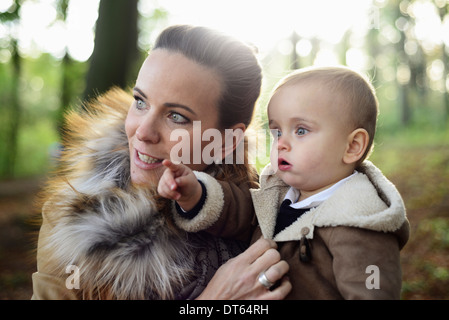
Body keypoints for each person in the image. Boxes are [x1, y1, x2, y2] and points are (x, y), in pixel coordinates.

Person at [31, 24, 290, 300]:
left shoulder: (274, 218)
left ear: (226, 141)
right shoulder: (73, 217)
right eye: (140, 102)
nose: (142, 132)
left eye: (176, 116)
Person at [169, 66, 410, 299]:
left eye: (301, 130)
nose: (281, 143)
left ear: (352, 146)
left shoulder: (361, 222)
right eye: (277, 132)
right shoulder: (278, 193)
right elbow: (240, 210)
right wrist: (195, 193)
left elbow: (373, 290)